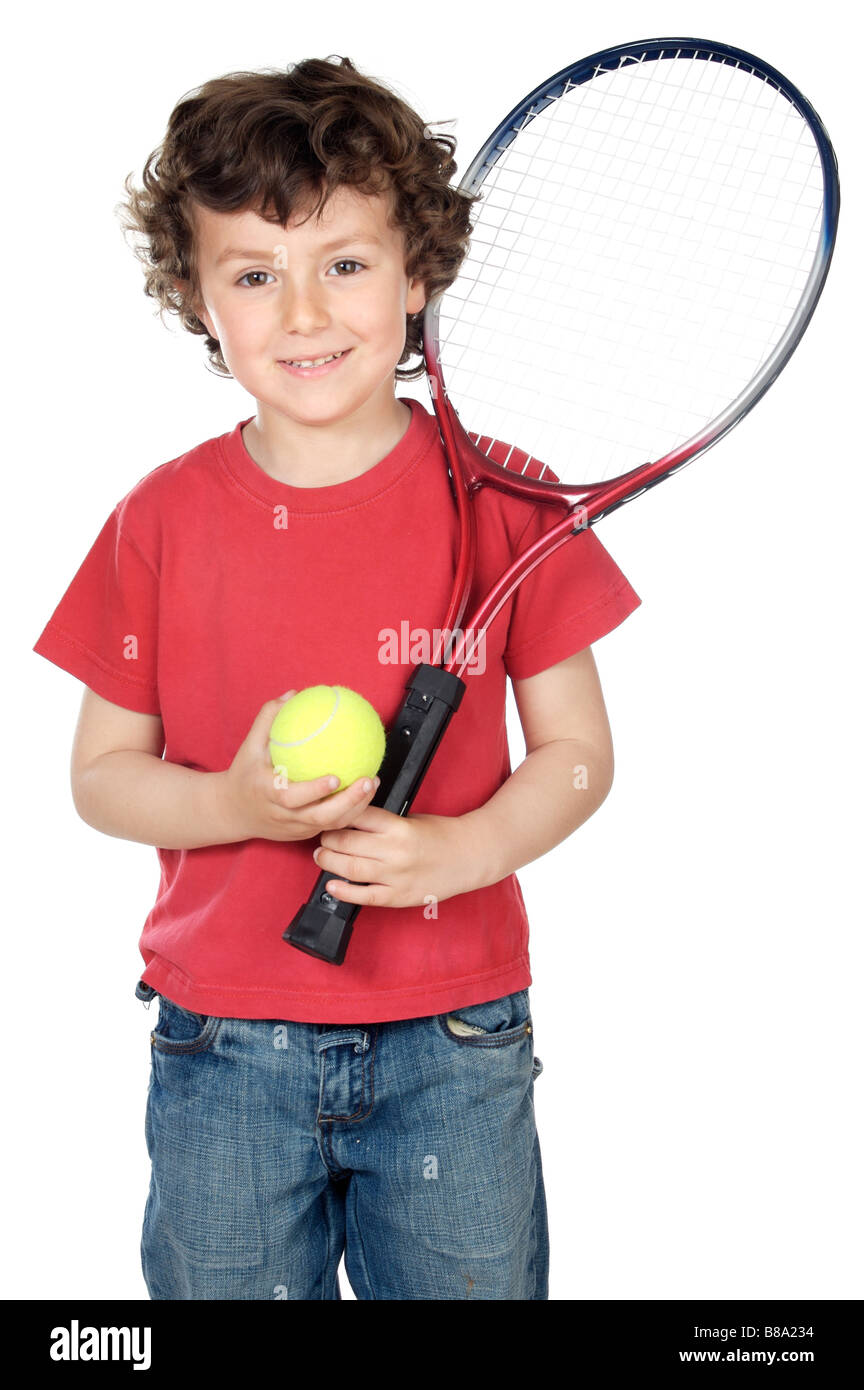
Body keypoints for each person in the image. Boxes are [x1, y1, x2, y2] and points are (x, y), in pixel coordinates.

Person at [33, 56, 641, 1300]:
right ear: (201, 303)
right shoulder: (161, 518)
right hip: (221, 1047)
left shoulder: (507, 502)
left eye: (345, 264)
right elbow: (100, 776)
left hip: (455, 1043)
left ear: (419, 274)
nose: (304, 313)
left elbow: (579, 753)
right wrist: (234, 807)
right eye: (254, 274)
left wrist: (458, 853)